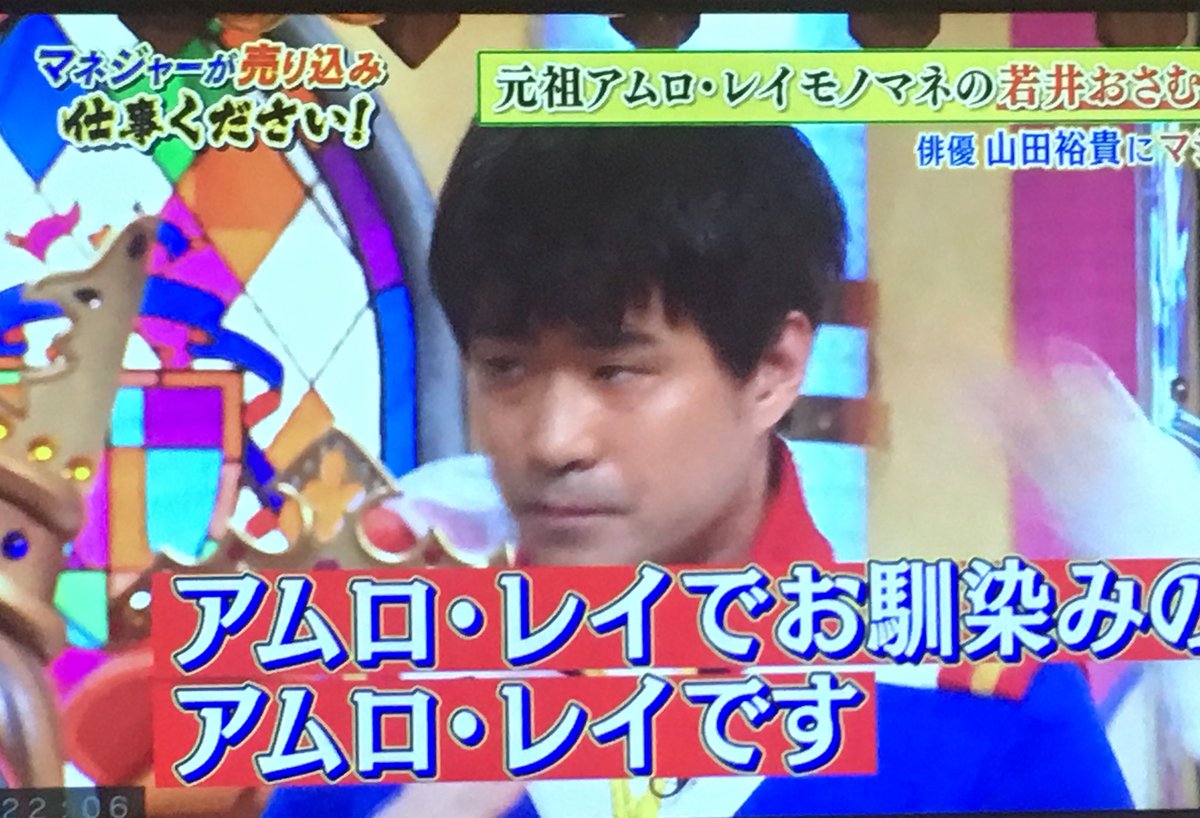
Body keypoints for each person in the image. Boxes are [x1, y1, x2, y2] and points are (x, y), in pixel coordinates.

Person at [262, 124, 1132, 818]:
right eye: (505, 368)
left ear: (774, 369)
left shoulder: (979, 709)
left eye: (617, 371)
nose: (554, 441)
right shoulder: (377, 692)